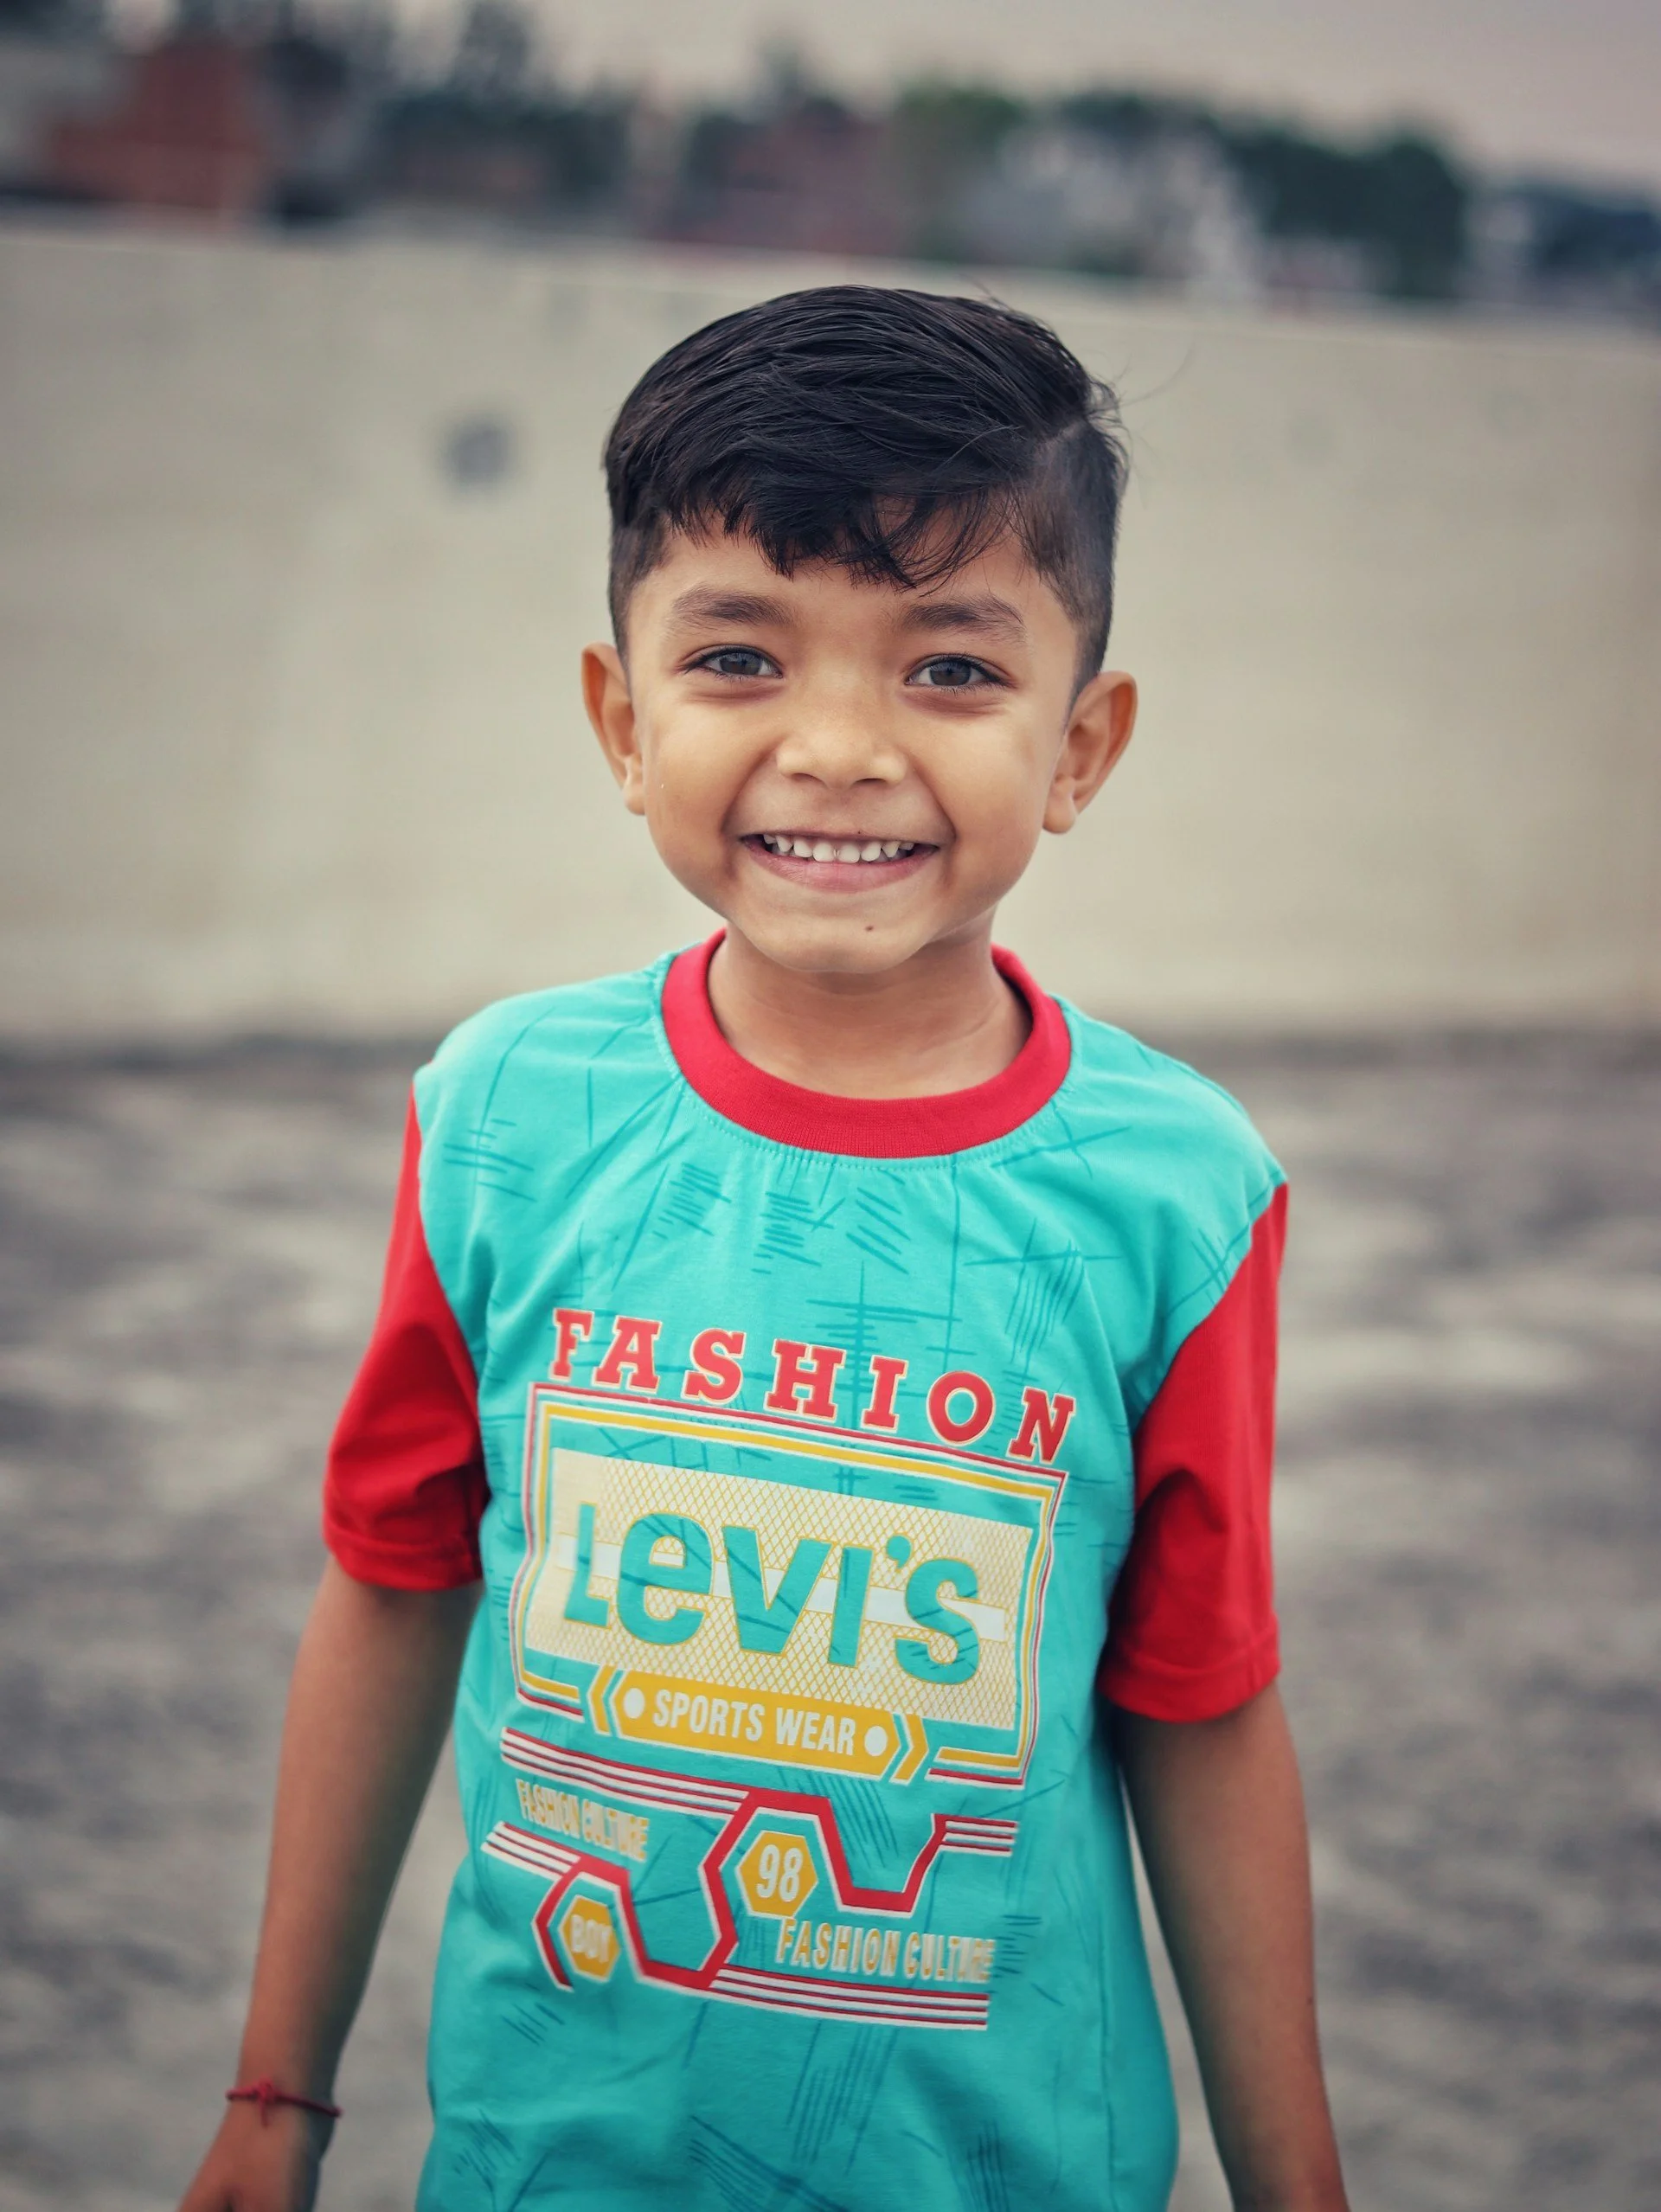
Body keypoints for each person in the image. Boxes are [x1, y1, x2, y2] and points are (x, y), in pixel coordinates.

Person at [181, 285, 1349, 2212]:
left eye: (950, 672)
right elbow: (394, 1586)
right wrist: (273, 2097)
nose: (837, 746)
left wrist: (1297, 2190)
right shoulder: (503, 1116)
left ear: (1081, 744)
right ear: (621, 723)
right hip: (550, 2164)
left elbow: (1200, 1702)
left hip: (1010, 2175)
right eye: (740, 655)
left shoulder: (1177, 1193)